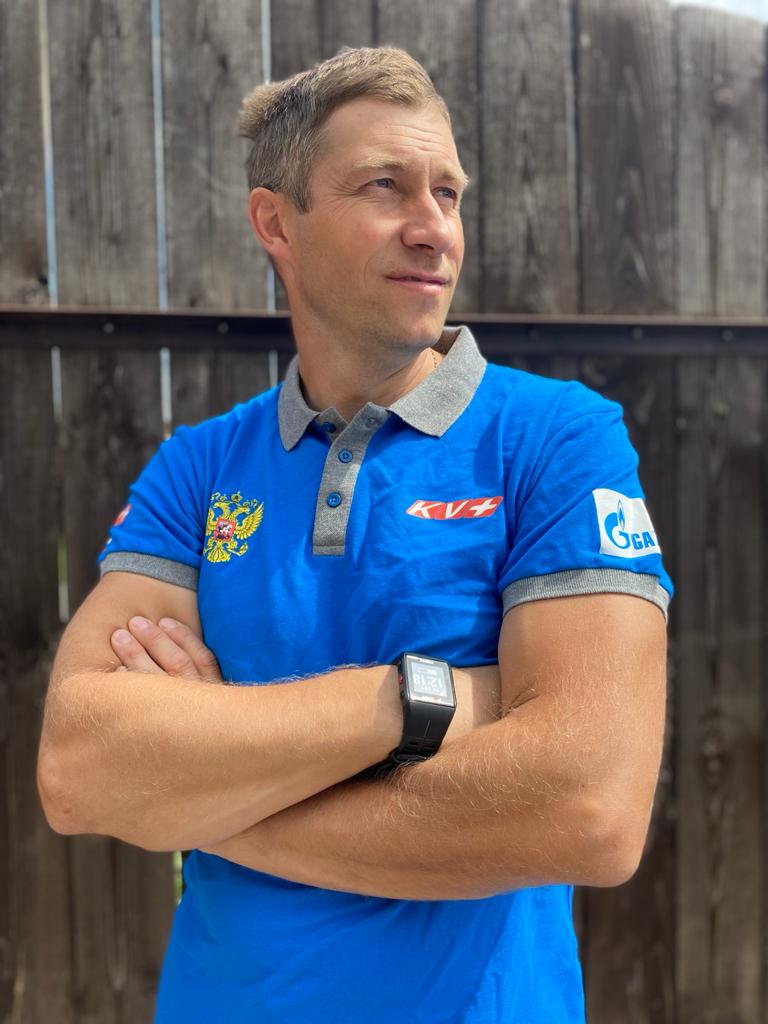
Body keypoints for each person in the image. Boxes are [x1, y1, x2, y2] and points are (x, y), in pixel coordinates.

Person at [37, 46, 673, 1024]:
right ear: (275, 222)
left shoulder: (557, 440)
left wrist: (209, 797)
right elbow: (80, 768)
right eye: (386, 186)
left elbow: (590, 807)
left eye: (448, 192)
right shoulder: (199, 468)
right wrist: (422, 699)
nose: (433, 227)